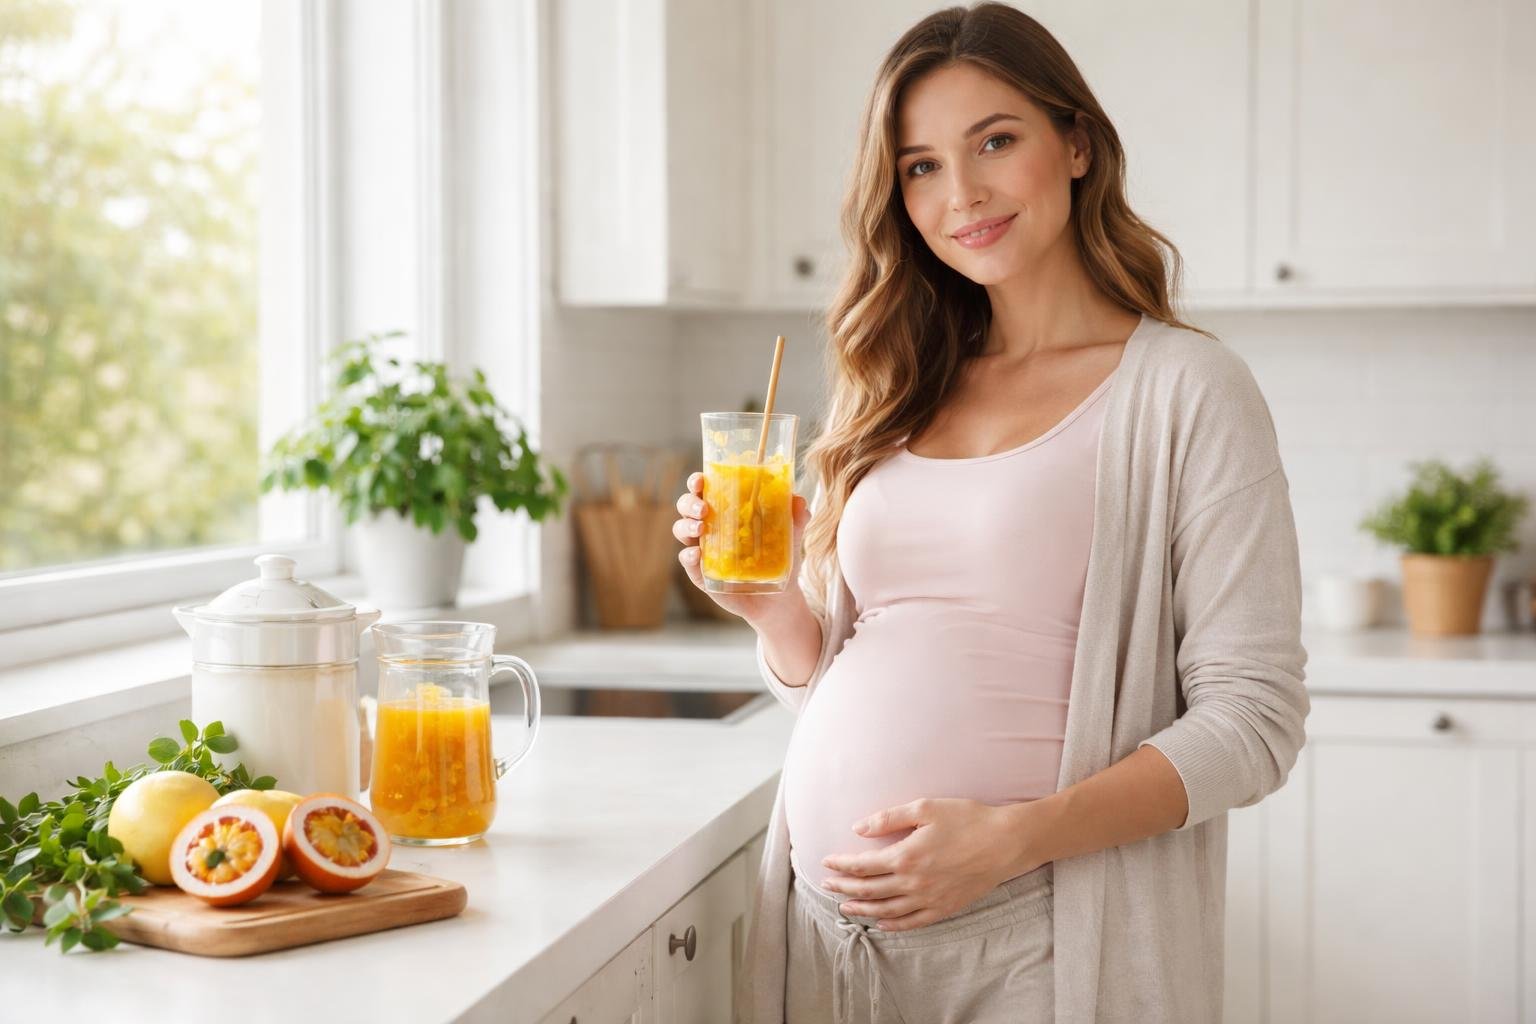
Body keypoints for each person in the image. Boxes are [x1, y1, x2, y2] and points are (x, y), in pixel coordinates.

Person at [673, 5, 1309, 1022]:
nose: (959, 193)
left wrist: (1013, 838)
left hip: (1034, 941)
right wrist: (775, 611)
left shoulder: (1186, 389)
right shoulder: (896, 384)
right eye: (920, 165)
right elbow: (865, 676)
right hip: (823, 939)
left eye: (995, 142)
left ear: (1077, 144)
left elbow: (1256, 722)